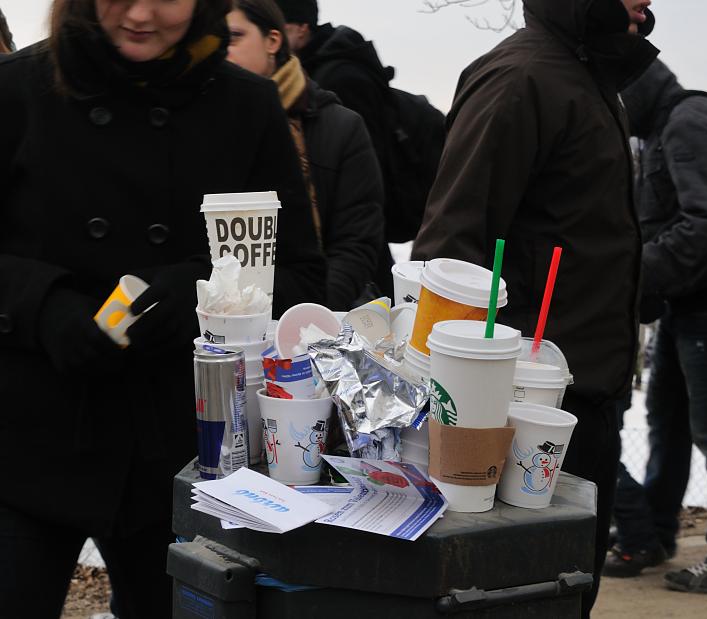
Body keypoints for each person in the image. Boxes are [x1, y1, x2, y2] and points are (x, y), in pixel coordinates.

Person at [0, 0, 325, 617]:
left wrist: (199, 293)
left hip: (185, 453)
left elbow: (302, 274)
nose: (142, 13)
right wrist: (42, 307)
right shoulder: (17, 90)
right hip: (26, 441)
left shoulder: (247, 106)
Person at [411, 0, 658, 614]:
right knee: (523, 602)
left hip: (584, 397)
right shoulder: (521, 79)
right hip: (519, 413)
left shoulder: (589, 76)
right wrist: (471, 416)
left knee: (568, 597)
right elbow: (448, 254)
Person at [604, 59, 707, 593]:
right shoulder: (666, 127)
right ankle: (656, 534)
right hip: (686, 308)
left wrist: (637, 274)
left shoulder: (689, 123)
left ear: (633, 89)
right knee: (668, 423)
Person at [226, 0, 384, 310]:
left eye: (233, 36)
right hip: (217, 322)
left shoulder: (340, 127)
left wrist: (309, 315)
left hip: (311, 322)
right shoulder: (203, 121)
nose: (222, 49)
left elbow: (355, 243)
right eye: (214, 39)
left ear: (273, 41)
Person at [274, 0, 407, 298]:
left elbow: (360, 186)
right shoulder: (322, 68)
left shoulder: (337, 79)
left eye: (279, 29)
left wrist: (326, 301)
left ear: (301, 29)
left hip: (345, 276)